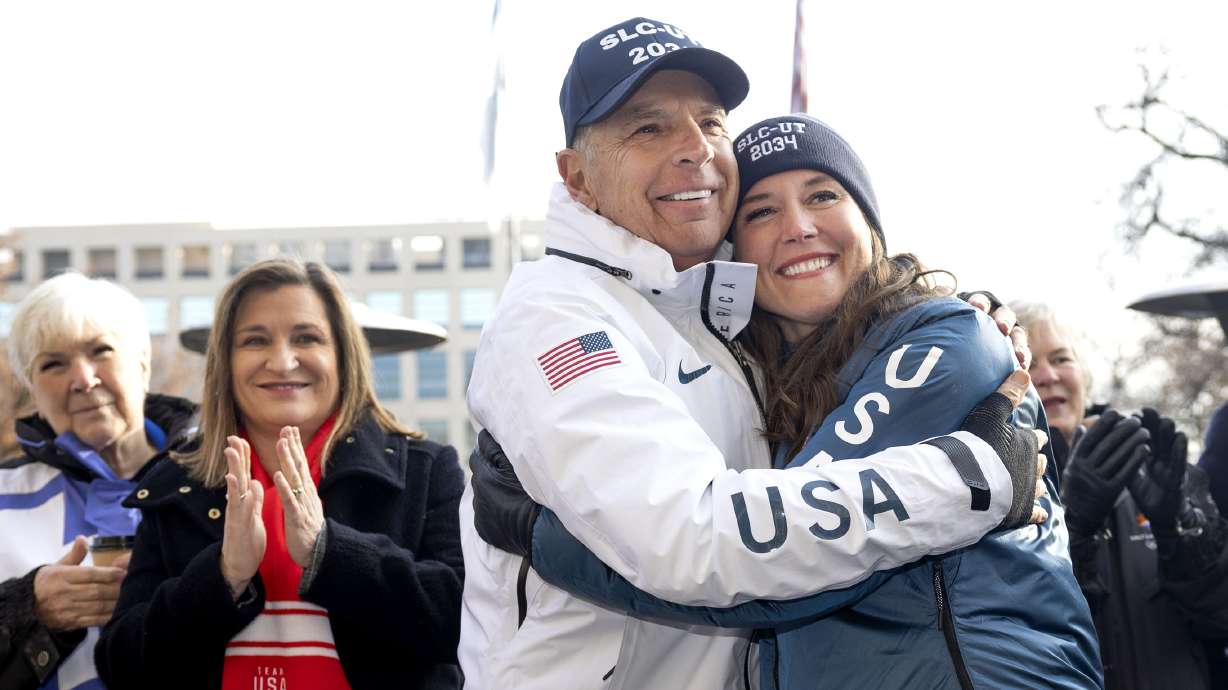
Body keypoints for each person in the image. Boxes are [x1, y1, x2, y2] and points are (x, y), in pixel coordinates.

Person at [459, 17, 1046, 690]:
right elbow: (694, 543)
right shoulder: (556, 314)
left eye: (711, 123)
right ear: (577, 178)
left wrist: (954, 321)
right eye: (648, 128)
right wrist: (970, 478)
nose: (695, 150)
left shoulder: (722, 318)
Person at [95, 259, 465, 689]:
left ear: (343, 357)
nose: (283, 361)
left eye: (306, 337)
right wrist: (222, 576)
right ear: (225, 365)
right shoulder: (174, 484)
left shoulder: (427, 470)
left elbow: (464, 625)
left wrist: (327, 551)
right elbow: (122, 666)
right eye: (255, 341)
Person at [1013, 301, 1228, 689]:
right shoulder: (996, 496)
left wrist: (1178, 527)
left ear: (1085, 374)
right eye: (1028, 363)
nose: (1046, 375)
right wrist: (1072, 527)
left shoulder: (1147, 462)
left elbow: (1220, 616)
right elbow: (1018, 639)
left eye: (1061, 358)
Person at [0, 272, 198, 690]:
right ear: (33, 392)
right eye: (53, 364)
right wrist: (27, 605)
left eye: (101, 351)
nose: (83, 379)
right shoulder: (5, 495)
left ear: (142, 365)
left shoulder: (218, 482)